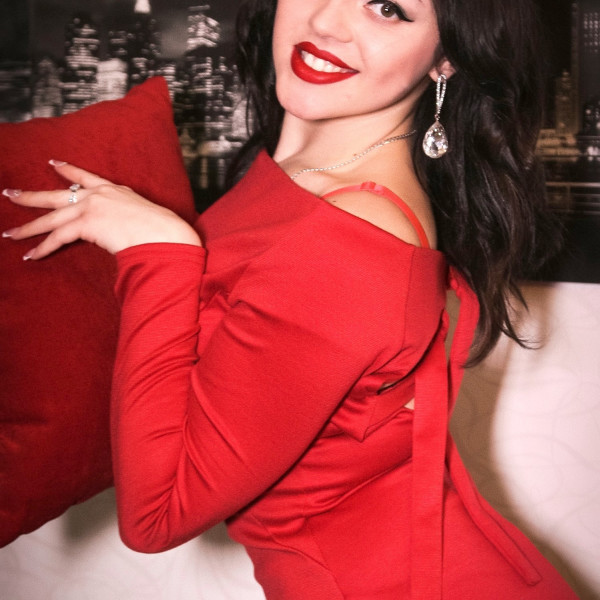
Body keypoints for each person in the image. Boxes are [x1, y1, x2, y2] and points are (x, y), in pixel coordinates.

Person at [2, 0, 578, 598]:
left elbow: (157, 516)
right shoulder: (300, 178)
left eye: (387, 8)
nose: (326, 22)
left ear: (447, 57)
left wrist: (158, 252)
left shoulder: (352, 236)